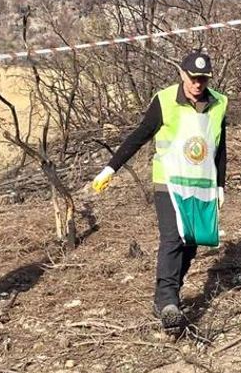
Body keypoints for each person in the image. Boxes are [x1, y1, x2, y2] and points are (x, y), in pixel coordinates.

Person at [90, 51, 227, 330]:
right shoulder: (164, 101)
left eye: (203, 79)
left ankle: (167, 295)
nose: (197, 84)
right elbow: (139, 136)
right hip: (169, 181)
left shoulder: (219, 103)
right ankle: (168, 302)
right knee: (173, 237)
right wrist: (110, 169)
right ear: (182, 74)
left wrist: (221, 184)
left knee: (192, 240)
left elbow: (220, 146)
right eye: (193, 78)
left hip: (200, 183)